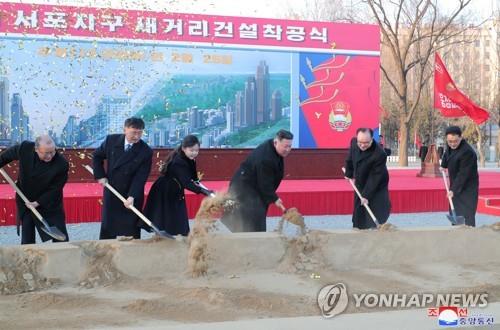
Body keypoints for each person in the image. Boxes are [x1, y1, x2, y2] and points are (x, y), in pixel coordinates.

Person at [0, 135, 69, 244]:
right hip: (26, 199)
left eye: (52, 152)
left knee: (61, 237)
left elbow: (55, 189)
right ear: (36, 149)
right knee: (27, 236)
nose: (50, 156)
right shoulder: (25, 148)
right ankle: (28, 258)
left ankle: (62, 258)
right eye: (46, 153)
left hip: (49, 202)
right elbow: (5, 157)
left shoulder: (61, 164)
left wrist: (38, 202)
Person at [92, 117, 153, 239]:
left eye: (140, 133)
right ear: (125, 129)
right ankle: (106, 253)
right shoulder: (111, 140)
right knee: (109, 227)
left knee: (131, 228)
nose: (137, 136)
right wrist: (100, 176)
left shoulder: (145, 151)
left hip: (132, 192)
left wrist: (132, 196)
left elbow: (141, 176)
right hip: (112, 189)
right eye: (133, 132)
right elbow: (96, 156)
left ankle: (131, 255)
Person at [221, 129, 293, 232]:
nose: (288, 149)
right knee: (254, 215)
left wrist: (272, 197)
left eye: (290, 146)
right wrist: (274, 198)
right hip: (245, 186)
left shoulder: (272, 147)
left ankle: (251, 238)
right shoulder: (266, 158)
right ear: (276, 142)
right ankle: (254, 240)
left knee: (256, 214)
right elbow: (264, 183)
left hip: (254, 184)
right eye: (285, 146)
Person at [143, 135, 213, 236]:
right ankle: (167, 237)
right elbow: (186, 183)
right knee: (168, 214)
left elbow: (193, 176)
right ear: (184, 148)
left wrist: (197, 182)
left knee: (177, 215)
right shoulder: (178, 161)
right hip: (166, 190)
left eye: (197, 150)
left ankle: (177, 235)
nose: (194, 153)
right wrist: (204, 191)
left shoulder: (189, 158)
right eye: (191, 150)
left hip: (175, 188)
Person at [344, 128, 391, 229]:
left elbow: (375, 177)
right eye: (360, 142)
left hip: (377, 183)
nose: (362, 145)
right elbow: (350, 159)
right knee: (359, 209)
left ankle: (375, 229)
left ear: (371, 139)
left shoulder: (379, 154)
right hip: (361, 180)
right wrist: (349, 173)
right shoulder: (353, 143)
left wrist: (366, 195)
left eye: (366, 142)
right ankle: (358, 227)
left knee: (375, 208)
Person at [440, 126, 478, 227]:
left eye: (455, 141)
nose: (452, 144)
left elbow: (463, 174)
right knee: (455, 213)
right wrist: (443, 166)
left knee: (466, 216)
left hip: (467, 188)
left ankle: (469, 238)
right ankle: (456, 236)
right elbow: (446, 154)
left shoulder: (467, 152)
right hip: (455, 186)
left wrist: (453, 190)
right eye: (450, 141)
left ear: (461, 137)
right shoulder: (450, 146)